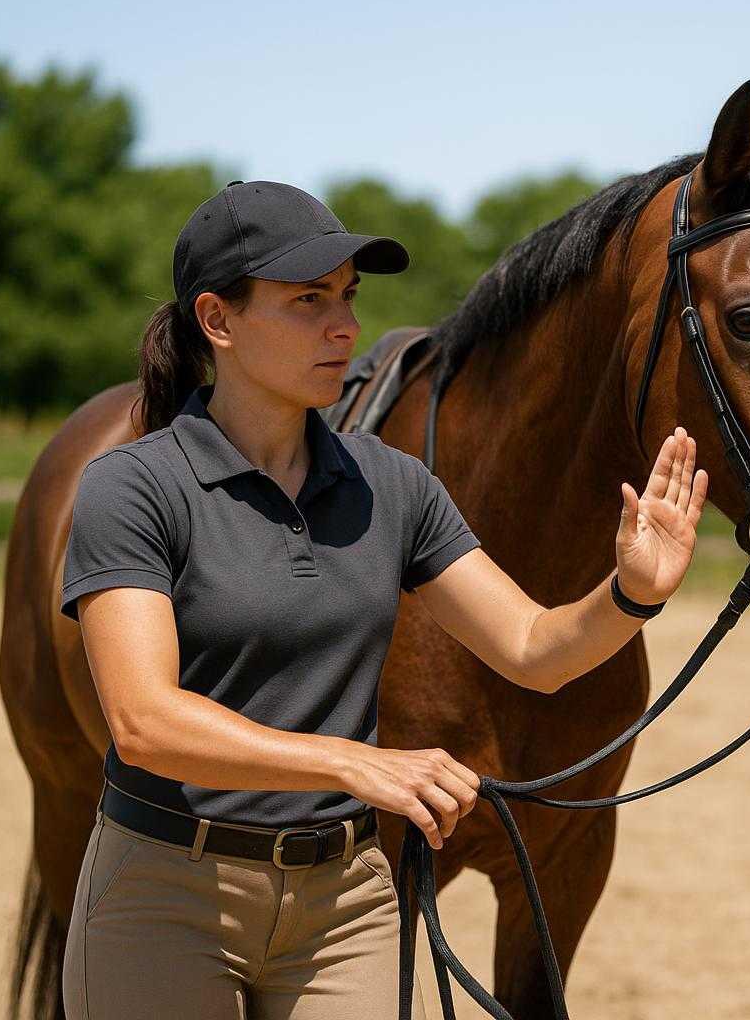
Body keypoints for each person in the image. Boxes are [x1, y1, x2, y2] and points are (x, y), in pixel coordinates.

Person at [58, 179, 709, 1019]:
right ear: (217, 321)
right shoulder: (132, 485)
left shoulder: (393, 486)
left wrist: (631, 593)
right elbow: (145, 722)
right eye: (307, 301)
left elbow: (534, 651)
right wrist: (354, 763)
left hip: (346, 902)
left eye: (348, 298)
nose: (345, 327)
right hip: (168, 889)